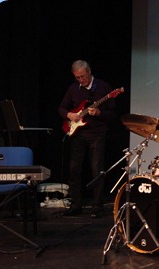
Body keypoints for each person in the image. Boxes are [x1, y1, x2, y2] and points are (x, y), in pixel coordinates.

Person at [58, 60, 116, 218]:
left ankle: (97, 206)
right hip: (78, 135)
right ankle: (76, 204)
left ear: (89, 72)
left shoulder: (104, 88)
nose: (80, 80)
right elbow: (61, 108)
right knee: (74, 169)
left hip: (97, 134)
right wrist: (69, 115)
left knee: (96, 170)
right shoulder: (73, 88)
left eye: (82, 76)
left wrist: (99, 114)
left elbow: (112, 114)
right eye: (77, 77)